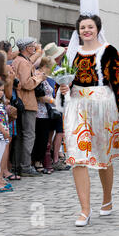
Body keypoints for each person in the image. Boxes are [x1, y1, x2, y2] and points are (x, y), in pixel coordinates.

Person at [59, 14, 119, 227]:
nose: (86, 30)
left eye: (90, 27)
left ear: (97, 29)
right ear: (78, 31)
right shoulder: (71, 53)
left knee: (104, 157)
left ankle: (107, 198)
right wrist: (64, 88)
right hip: (77, 107)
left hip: (102, 105)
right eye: (82, 27)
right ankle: (85, 209)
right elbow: (64, 80)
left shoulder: (108, 50)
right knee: (77, 156)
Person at [11, 38, 47, 178]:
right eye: (33, 46)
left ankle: (18, 165)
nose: (34, 48)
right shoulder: (23, 62)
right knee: (29, 135)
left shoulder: (19, 60)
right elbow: (26, 83)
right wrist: (39, 78)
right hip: (27, 102)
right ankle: (25, 166)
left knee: (21, 135)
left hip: (22, 102)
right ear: (27, 48)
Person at [43, 42, 68, 171]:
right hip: (56, 103)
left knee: (49, 132)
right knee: (59, 131)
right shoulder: (57, 70)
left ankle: (49, 158)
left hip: (46, 104)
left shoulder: (44, 69)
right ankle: (56, 158)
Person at [31, 57, 56, 174]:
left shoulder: (44, 77)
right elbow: (39, 95)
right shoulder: (38, 75)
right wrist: (53, 101)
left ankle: (39, 161)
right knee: (40, 138)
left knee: (44, 138)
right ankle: (37, 162)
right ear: (46, 66)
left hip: (45, 112)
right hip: (38, 112)